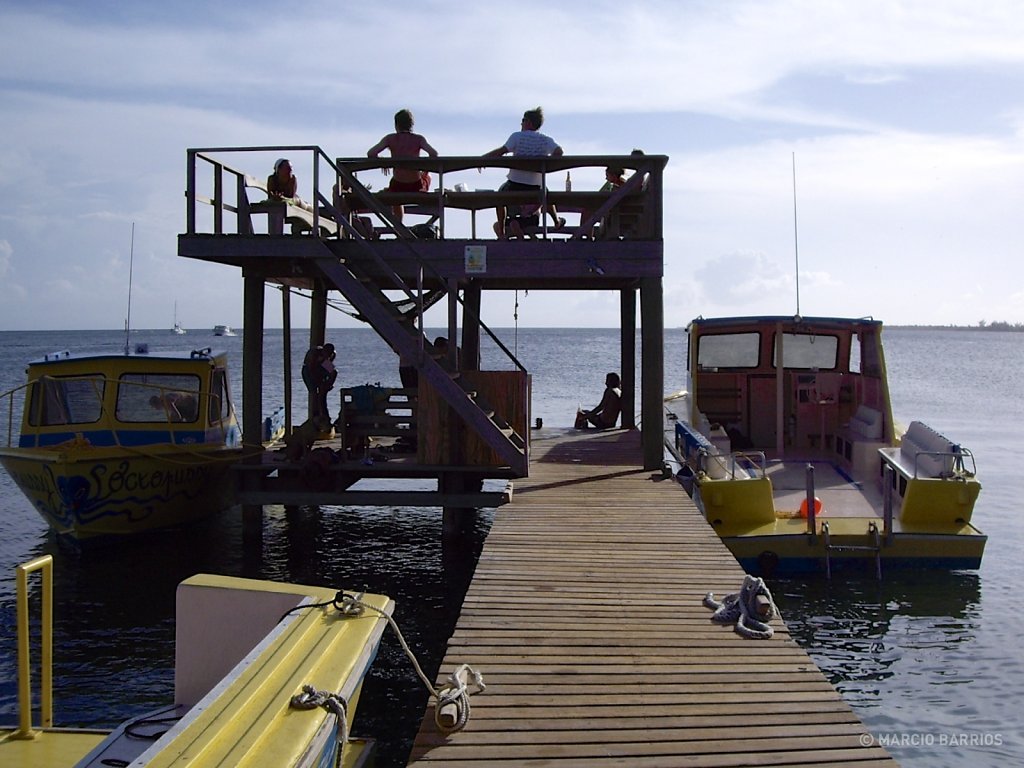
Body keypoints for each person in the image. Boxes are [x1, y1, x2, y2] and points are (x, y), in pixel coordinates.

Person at [483, 107, 565, 239]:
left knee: (499, 197)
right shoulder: (546, 140)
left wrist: (483, 159)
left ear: (528, 122)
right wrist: (545, 162)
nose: (521, 123)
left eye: (522, 120)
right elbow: (559, 152)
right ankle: (556, 221)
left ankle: (502, 231)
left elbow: (502, 151)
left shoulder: (517, 136)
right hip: (536, 186)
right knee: (546, 193)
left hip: (514, 185)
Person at [366, 109, 439, 224]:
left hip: (397, 185)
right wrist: (424, 170)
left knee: (394, 193)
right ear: (412, 125)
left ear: (396, 125)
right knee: (427, 177)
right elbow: (434, 154)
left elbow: (371, 153)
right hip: (416, 185)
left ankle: (399, 224)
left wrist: (384, 162)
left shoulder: (390, 139)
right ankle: (401, 226)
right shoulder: (418, 139)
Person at [302, 343, 337, 419]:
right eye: (326, 354)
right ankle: (315, 415)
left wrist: (328, 384)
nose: (327, 356)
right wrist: (317, 382)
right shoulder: (314, 353)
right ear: (323, 351)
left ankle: (324, 415)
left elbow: (332, 371)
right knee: (314, 392)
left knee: (323, 393)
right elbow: (311, 369)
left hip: (321, 367)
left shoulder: (331, 356)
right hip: (308, 369)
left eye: (329, 355)